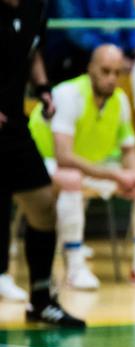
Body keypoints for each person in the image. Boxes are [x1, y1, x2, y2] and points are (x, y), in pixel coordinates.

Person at [29, 43, 135, 289]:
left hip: (89, 166)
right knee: (71, 179)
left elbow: (128, 149)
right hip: (42, 162)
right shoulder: (68, 94)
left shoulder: (120, 100)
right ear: (90, 68)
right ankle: (74, 267)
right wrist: (114, 174)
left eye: (117, 73)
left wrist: (133, 176)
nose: (112, 79)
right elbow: (64, 156)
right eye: (105, 71)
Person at [1, 0, 85, 327]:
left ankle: (40, 301)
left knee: (43, 206)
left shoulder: (36, 7)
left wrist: (43, 88)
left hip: (14, 128)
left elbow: (32, 49)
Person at [45, 0, 135, 83]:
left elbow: (132, 23)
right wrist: (110, 55)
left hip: (121, 53)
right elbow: (76, 31)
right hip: (80, 55)